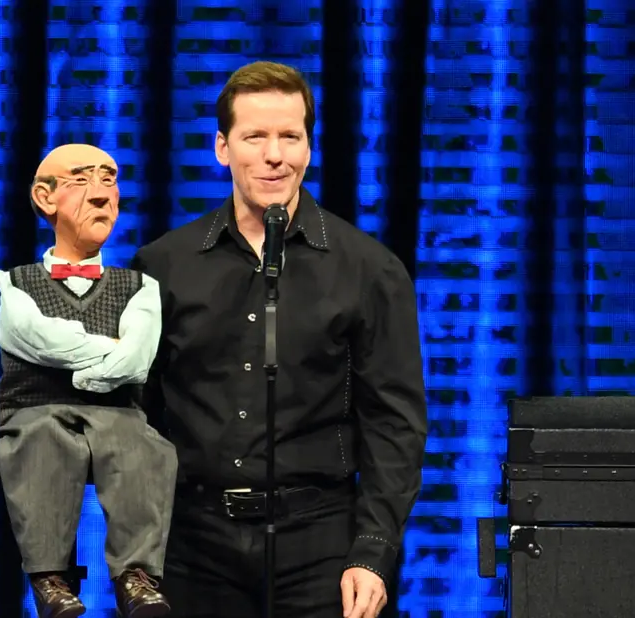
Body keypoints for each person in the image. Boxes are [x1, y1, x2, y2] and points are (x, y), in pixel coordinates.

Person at [131, 61, 428, 618]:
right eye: (255, 137)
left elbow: (395, 424)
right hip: (194, 547)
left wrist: (372, 551)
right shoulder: (163, 266)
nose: (275, 155)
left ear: (308, 147)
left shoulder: (369, 269)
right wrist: (136, 550)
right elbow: (137, 420)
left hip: (321, 546)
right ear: (222, 148)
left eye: (290, 136)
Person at [0, 143, 177, 618]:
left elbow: (136, 361)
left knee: (144, 447)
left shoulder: (141, 287)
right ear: (45, 197)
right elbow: (37, 337)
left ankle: (136, 576)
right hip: (34, 410)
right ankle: (50, 577)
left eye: (109, 180)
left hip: (117, 415)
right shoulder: (15, 283)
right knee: (42, 440)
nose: (101, 195)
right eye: (82, 180)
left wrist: (88, 366)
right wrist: (104, 359)